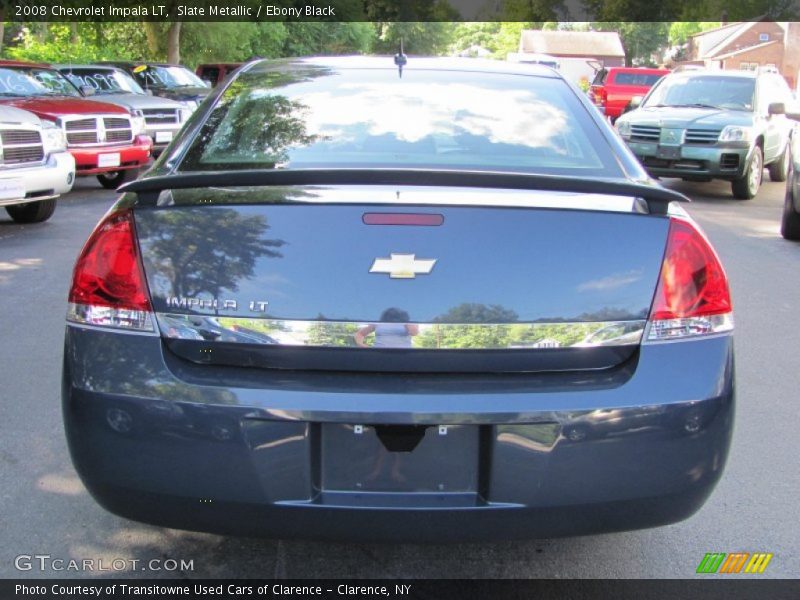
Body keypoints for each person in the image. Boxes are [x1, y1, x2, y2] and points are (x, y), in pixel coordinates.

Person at [354, 308, 419, 348]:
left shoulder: (410, 322)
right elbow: (360, 334)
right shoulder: (378, 322)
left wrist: (404, 320)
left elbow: (414, 332)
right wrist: (362, 345)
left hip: (402, 355)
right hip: (379, 355)